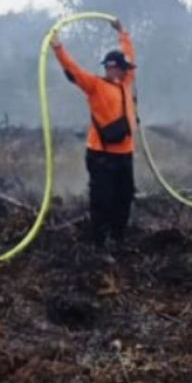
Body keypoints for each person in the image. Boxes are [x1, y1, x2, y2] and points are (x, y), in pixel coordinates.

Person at [50, 19, 138, 252]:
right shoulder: (95, 86)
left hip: (125, 155)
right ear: (110, 68)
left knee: (125, 197)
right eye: (113, 67)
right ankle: (99, 245)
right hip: (101, 155)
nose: (118, 71)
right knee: (102, 200)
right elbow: (74, 70)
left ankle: (119, 239)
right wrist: (58, 47)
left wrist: (122, 32)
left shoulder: (127, 83)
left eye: (121, 68)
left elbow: (129, 54)